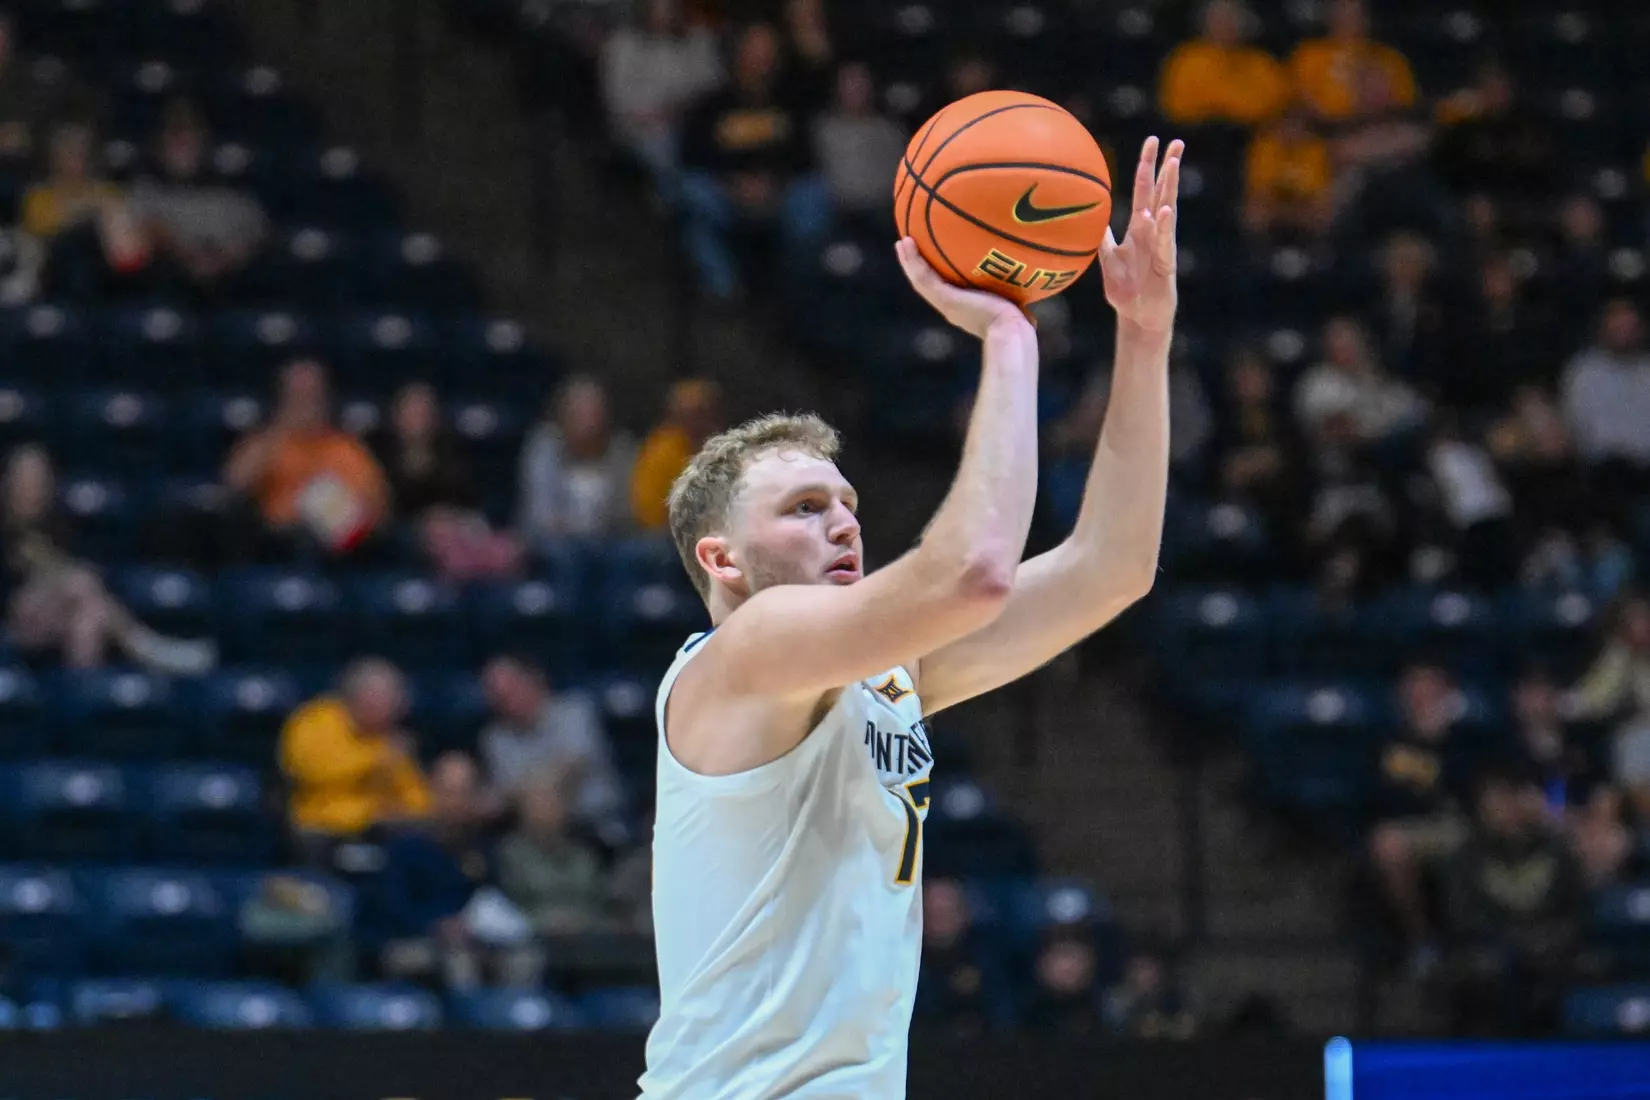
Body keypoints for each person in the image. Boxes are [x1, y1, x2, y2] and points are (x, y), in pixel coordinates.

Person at [640, 138, 1181, 1098]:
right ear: (721, 560)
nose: (844, 521)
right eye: (805, 508)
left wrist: (1143, 337)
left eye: (847, 502)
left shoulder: (886, 679)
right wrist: (1010, 340)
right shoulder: (741, 656)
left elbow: (1113, 569)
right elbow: (971, 572)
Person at [676, 23, 831, 301]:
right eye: (756, 48)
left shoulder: (791, 103)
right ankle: (725, 291)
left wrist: (774, 182)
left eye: (769, 49)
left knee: (814, 195)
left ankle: (796, 286)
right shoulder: (711, 104)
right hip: (727, 193)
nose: (764, 56)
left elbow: (804, 156)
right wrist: (732, 182)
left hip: (778, 193)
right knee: (691, 194)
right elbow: (693, 155)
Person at [222, 359, 390, 560]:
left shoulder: (346, 447)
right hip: (277, 544)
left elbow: (379, 507)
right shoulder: (265, 441)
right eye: (297, 396)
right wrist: (280, 429)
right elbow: (234, 484)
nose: (306, 404)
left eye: (312, 396)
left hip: (338, 551)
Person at [278, 658, 432, 859]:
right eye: (390, 698)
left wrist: (414, 812)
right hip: (322, 828)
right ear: (362, 695)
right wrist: (374, 761)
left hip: (379, 831)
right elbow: (309, 772)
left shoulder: (389, 737)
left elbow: (415, 796)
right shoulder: (314, 721)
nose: (399, 707)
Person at [517, 374, 637, 543]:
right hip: (554, 539)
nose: (588, 421)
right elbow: (541, 510)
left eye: (594, 411)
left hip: (609, 539)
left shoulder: (621, 448)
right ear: (563, 413)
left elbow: (627, 510)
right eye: (579, 412)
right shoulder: (545, 445)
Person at [1158, 0, 1287, 128]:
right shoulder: (1185, 59)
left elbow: (1276, 107)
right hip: (1197, 137)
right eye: (1219, 19)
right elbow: (1176, 108)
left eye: (1232, 18)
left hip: (1249, 136)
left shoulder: (1262, 63)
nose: (1226, 25)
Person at [631, 378, 723, 531]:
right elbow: (648, 511)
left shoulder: (726, 447)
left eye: (701, 412)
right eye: (687, 414)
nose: (695, 421)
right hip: (667, 536)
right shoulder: (661, 449)